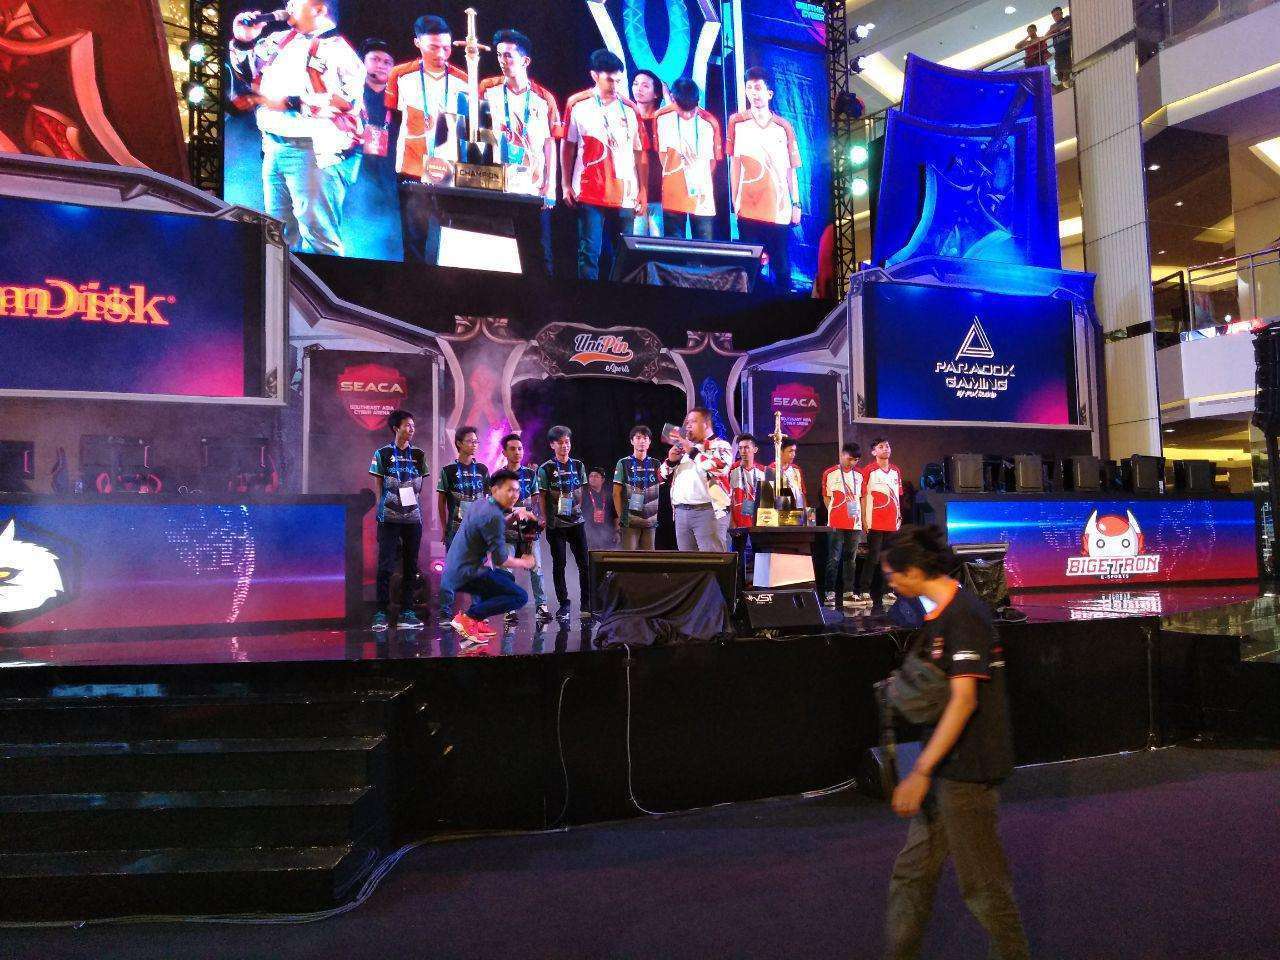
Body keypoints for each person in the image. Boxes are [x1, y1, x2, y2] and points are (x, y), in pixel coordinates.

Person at [881, 526, 1028, 960]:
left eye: (892, 575)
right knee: (911, 876)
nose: (891, 583)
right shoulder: (939, 616)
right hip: (945, 770)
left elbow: (964, 702)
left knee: (984, 888)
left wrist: (919, 772)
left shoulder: (965, 616)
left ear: (913, 572)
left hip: (968, 773)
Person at [228, 0, 365, 256]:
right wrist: (243, 41)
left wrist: (290, 102)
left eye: (296, 1)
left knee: (319, 237)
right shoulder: (279, 40)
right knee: (277, 236)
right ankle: (281, 282)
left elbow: (346, 103)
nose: (288, 4)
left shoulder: (340, 52)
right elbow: (247, 75)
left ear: (319, 9)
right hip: (274, 146)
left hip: (312, 151)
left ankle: (321, 283)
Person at [385, 14, 468, 261]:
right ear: (417, 43)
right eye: (433, 47)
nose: (441, 54)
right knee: (413, 239)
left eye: (446, 47)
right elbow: (393, 118)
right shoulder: (399, 75)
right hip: (412, 166)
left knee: (449, 234)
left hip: (449, 168)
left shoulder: (463, 81)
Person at [562, 49, 648, 280]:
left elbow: (640, 152)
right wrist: (565, 184)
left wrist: (643, 190)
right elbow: (568, 146)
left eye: (619, 80)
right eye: (609, 79)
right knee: (589, 252)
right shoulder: (577, 104)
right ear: (594, 75)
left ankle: (619, 300)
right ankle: (588, 299)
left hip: (625, 192)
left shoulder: (630, 108)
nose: (615, 85)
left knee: (624, 253)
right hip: (589, 189)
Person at [481, 29, 560, 271]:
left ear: (525, 61)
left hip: (532, 187)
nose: (502, 61)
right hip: (499, 184)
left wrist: (550, 186)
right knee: (499, 250)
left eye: (508, 56)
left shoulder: (544, 98)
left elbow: (550, 143)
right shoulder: (488, 90)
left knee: (539, 253)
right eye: (499, 55)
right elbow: (480, 134)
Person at [439, 469, 538, 643]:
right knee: (520, 597)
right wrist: (526, 562)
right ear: (494, 490)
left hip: (455, 570)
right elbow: (501, 560)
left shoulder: (480, 504)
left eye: (517, 490)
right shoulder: (494, 516)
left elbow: (490, 526)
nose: (514, 495)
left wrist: (514, 516)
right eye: (509, 490)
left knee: (507, 577)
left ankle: (476, 620)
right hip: (466, 574)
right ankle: (469, 618)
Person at [727, 67, 802, 293]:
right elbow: (735, 166)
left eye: (758, 88)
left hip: (779, 210)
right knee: (750, 270)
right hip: (748, 209)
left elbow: (791, 170)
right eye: (749, 88)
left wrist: (796, 204)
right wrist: (735, 201)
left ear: (769, 93)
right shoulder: (737, 122)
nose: (754, 93)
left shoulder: (783, 126)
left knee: (782, 268)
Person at [367, 409, 427, 632]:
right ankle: (381, 613)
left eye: (413, 426)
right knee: (386, 565)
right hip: (389, 517)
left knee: (411, 564)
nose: (411, 429)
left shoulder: (419, 455)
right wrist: (380, 512)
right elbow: (378, 486)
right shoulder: (382, 453)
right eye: (407, 425)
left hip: (412, 518)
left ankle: (407, 612)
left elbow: (420, 488)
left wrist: (414, 508)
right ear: (396, 428)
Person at [345, 38, 403, 261]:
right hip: (354, 174)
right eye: (375, 59)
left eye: (387, 62)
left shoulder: (401, 99)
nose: (381, 65)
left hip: (389, 178)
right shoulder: (348, 93)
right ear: (362, 62)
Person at [656, 77, 722, 241]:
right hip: (673, 191)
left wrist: (697, 176)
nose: (687, 115)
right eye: (682, 109)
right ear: (673, 99)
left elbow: (713, 161)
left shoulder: (709, 122)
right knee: (674, 245)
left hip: (702, 193)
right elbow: (662, 155)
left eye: (691, 110)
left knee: (704, 246)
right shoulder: (662, 118)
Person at [538, 425, 592, 623]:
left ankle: (586, 604)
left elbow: (582, 491)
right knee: (559, 564)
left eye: (567, 442)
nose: (565, 446)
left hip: (576, 522)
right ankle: (564, 604)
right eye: (560, 443)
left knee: (584, 564)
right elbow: (542, 496)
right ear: (552, 445)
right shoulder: (545, 468)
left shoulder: (578, 465)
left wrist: (576, 508)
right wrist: (545, 518)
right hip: (556, 525)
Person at [660, 408, 733, 552]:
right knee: (688, 562)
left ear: (706, 424)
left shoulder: (721, 445)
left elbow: (720, 468)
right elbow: (660, 478)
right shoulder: (684, 449)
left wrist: (692, 452)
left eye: (693, 421)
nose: (687, 426)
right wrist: (671, 461)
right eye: (687, 422)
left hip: (709, 511)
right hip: (681, 513)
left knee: (712, 560)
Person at [498, 432, 550, 622]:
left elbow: (536, 499)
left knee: (536, 568)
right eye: (512, 449)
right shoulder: (498, 476)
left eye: (520, 448)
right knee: (506, 570)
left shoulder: (530, 474)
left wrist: (538, 518)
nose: (517, 452)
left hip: (528, 529)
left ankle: (541, 607)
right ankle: (509, 608)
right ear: (504, 452)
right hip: (507, 529)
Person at [859, 437, 904, 613]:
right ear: (874, 452)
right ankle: (864, 590)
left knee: (890, 557)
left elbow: (897, 496)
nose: (886, 448)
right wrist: (864, 519)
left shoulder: (896, 471)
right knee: (874, 557)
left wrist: (899, 516)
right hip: (875, 521)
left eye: (887, 446)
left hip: (892, 522)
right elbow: (863, 497)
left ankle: (888, 591)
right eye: (881, 446)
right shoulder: (868, 470)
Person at [822, 442, 864, 607]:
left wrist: (862, 520)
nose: (852, 463)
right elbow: (826, 497)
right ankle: (829, 592)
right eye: (849, 459)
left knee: (851, 559)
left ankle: (848, 592)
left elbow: (861, 498)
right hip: (836, 522)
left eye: (855, 460)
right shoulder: (830, 473)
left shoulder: (859, 475)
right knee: (833, 558)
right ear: (842, 455)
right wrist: (834, 512)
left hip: (855, 523)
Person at [629, 69, 666, 237]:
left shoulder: (664, 122)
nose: (638, 89)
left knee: (660, 246)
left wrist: (668, 96)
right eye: (635, 84)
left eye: (645, 86)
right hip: (633, 195)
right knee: (634, 244)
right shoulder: (627, 119)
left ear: (656, 93)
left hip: (660, 195)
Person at [613, 426, 662, 550]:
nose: (642, 441)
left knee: (649, 558)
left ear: (649, 442)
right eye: (638, 438)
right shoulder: (623, 463)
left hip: (650, 522)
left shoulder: (656, 464)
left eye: (645, 438)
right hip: (630, 522)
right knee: (629, 557)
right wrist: (621, 518)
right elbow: (616, 493)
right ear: (632, 441)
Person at [729, 433, 766, 585]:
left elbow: (767, 499)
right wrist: (731, 521)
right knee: (738, 555)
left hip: (758, 520)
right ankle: (739, 589)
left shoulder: (763, 471)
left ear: (755, 449)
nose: (743, 451)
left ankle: (760, 587)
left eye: (747, 448)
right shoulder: (731, 470)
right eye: (741, 448)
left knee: (760, 554)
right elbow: (726, 497)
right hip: (738, 520)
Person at [761, 436, 806, 511]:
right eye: (790, 451)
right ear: (780, 451)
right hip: (779, 512)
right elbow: (767, 499)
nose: (794, 454)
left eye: (794, 451)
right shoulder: (770, 470)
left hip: (797, 512)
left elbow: (802, 493)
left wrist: (805, 512)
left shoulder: (796, 469)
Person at [583, 467, 618, 550]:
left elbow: (615, 516)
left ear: (602, 480)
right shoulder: (583, 494)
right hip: (588, 534)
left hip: (607, 534)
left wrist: (617, 532)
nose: (593, 478)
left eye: (596, 476)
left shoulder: (608, 495)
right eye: (591, 476)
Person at [1049, 7, 1072, 85]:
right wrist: (1054, 30)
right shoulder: (1052, 26)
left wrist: (1059, 29)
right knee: (1059, 70)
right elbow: (1047, 35)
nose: (1056, 17)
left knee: (1067, 69)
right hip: (1058, 50)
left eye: (1058, 14)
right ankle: (1065, 84)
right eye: (1054, 16)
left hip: (1067, 47)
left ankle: (1068, 84)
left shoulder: (1067, 19)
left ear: (1061, 14)